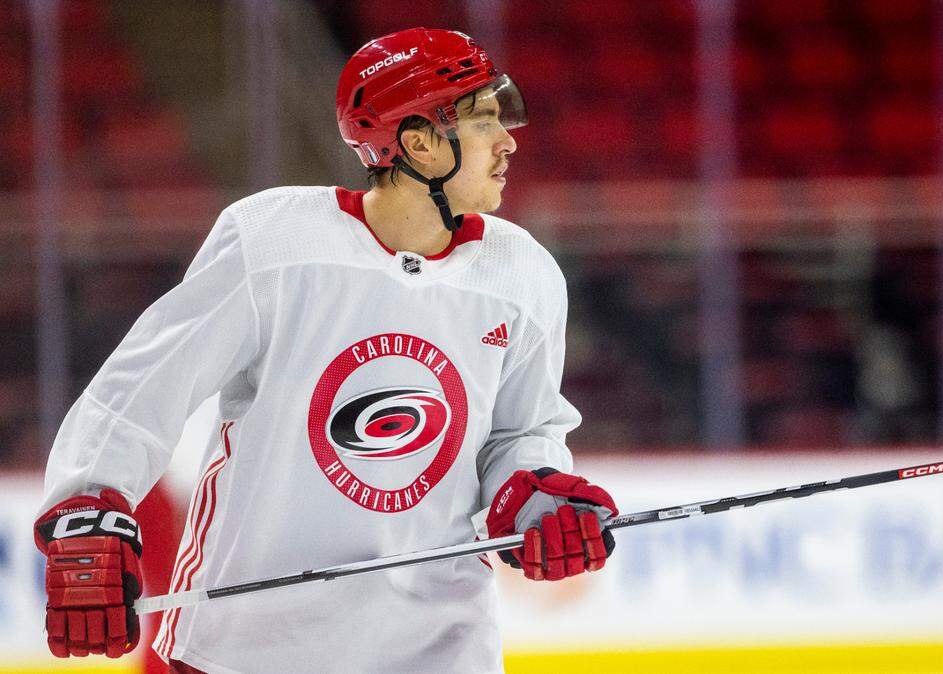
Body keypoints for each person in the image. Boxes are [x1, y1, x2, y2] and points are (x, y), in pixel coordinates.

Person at [32, 28, 618, 673]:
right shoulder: (274, 243)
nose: (509, 140)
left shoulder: (521, 273)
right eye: (484, 121)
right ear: (419, 142)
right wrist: (87, 509)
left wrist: (535, 497)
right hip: (251, 650)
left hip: (437, 649)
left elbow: (522, 432)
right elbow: (143, 388)